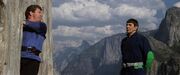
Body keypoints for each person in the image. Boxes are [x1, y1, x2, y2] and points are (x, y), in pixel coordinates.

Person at [20, 5, 47, 75]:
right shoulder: (21, 26)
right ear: (31, 13)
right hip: (18, 57)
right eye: (39, 12)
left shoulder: (42, 26)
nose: (41, 15)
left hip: (32, 60)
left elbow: (30, 24)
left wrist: (21, 23)